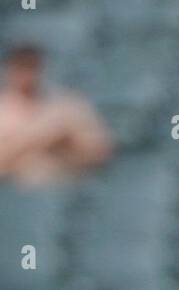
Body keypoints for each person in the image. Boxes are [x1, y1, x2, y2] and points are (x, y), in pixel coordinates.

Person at [0, 45, 112, 185]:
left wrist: (67, 145)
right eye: (21, 67)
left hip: (64, 186)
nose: (27, 75)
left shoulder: (68, 105)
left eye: (31, 67)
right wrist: (40, 141)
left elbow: (101, 153)